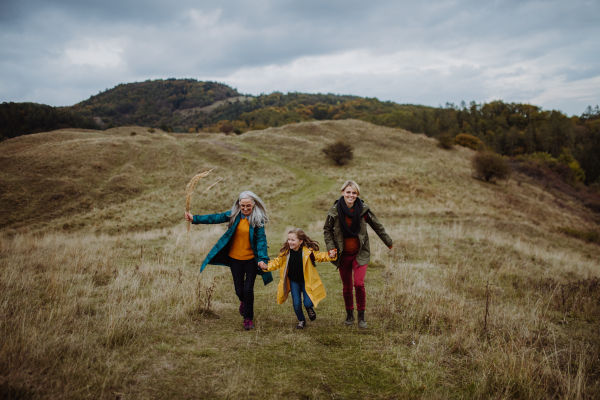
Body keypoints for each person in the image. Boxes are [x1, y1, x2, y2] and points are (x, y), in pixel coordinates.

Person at [184, 191, 272, 331]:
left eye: (248, 206)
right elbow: (215, 218)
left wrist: (262, 259)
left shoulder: (257, 219)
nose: (245, 208)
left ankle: (248, 319)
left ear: (253, 204)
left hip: (250, 260)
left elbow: (261, 240)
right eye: (242, 205)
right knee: (239, 291)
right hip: (235, 259)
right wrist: (194, 218)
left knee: (248, 289)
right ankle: (243, 301)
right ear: (239, 204)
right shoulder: (234, 214)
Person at [323, 180, 393, 329]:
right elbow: (327, 231)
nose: (351, 195)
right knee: (347, 287)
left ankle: (361, 316)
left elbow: (377, 226)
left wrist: (388, 242)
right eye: (348, 192)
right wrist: (330, 247)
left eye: (354, 193)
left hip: (360, 254)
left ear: (357, 194)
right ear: (342, 192)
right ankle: (349, 315)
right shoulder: (334, 211)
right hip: (343, 255)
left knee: (359, 284)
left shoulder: (363, 210)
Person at [259, 228, 337, 329]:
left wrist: (330, 255)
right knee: (296, 304)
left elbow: (320, 256)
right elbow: (277, 262)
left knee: (308, 303)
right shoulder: (285, 253)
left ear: (301, 241)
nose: (289, 242)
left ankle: (309, 309)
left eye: (293, 240)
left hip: (306, 282)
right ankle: (301, 320)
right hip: (293, 282)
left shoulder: (308, 252)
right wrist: (266, 266)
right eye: (289, 239)